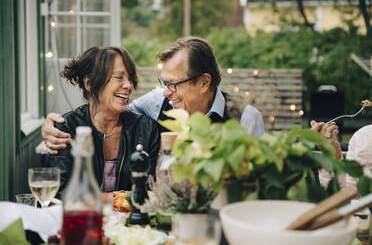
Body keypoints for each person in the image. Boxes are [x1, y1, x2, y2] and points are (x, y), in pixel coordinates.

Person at [42, 37, 264, 154]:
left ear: (204, 82)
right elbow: (110, 113)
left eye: (173, 84)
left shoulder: (245, 118)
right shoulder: (156, 103)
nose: (166, 92)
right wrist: (53, 125)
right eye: (164, 83)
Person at [47, 46, 160, 195]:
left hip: (132, 218)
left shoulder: (146, 129)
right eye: (119, 77)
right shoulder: (67, 129)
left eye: (130, 79)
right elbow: (60, 192)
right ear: (89, 84)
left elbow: (153, 190)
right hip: (84, 217)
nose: (129, 86)